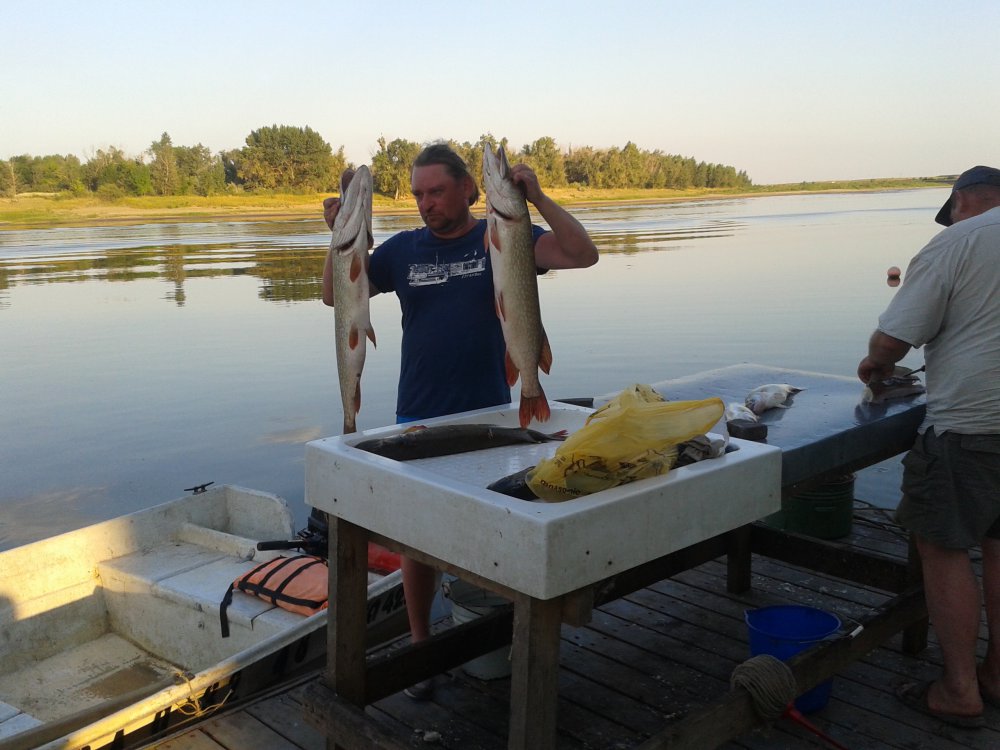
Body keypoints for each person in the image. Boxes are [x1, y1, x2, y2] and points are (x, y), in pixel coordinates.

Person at [322, 142, 598, 698]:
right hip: (416, 414)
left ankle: (500, 632)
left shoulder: (504, 235)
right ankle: (423, 645)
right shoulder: (403, 250)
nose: (427, 202)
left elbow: (582, 253)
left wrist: (539, 197)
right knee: (417, 539)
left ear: (469, 189)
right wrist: (336, 237)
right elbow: (336, 295)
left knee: (495, 525)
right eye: (419, 194)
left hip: (493, 412)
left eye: (437, 191)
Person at [857, 165, 1000, 728]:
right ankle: (997, 674)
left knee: (942, 546)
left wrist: (874, 363)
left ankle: (959, 690)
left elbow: (894, 340)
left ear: (961, 200)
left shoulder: (957, 241)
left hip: (971, 426)